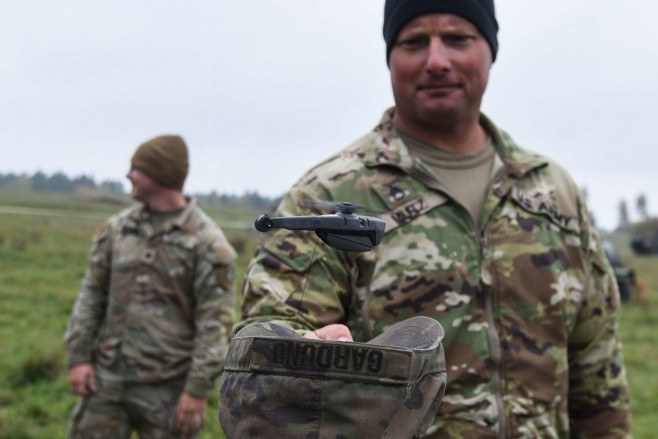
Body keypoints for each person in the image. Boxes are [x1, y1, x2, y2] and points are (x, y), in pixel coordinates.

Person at [236, 0, 631, 437]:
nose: (436, 61)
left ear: (490, 50)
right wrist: (295, 354)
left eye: (459, 39)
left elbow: (596, 360)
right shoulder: (328, 195)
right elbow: (266, 348)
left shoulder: (555, 192)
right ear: (390, 57)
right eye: (414, 42)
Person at [65, 134, 237, 439]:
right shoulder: (119, 229)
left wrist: (197, 392)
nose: (128, 175)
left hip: (169, 391)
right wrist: (79, 356)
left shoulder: (207, 243)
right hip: (107, 381)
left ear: (160, 174)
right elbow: (92, 294)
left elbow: (215, 325)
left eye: (136, 168)